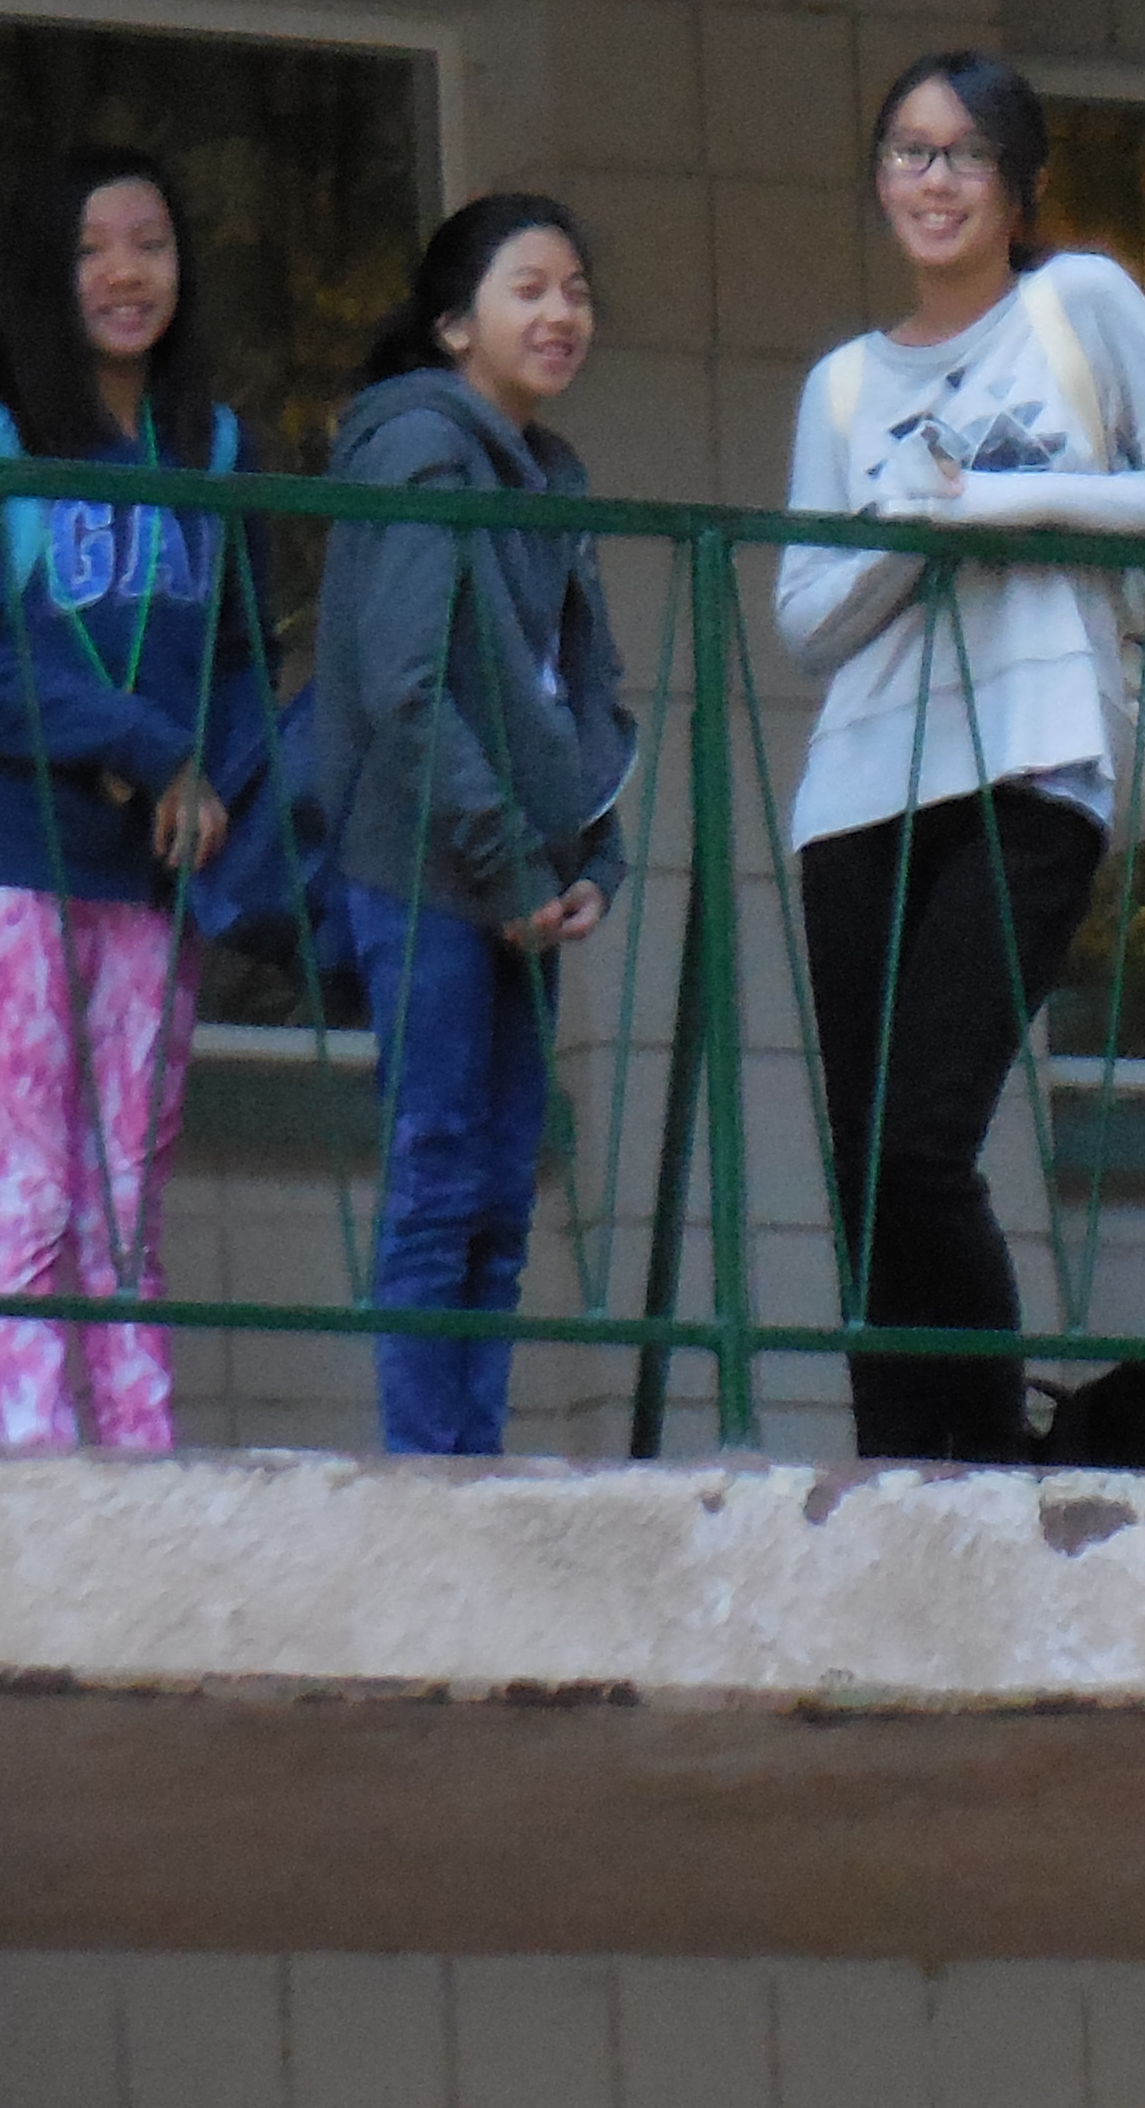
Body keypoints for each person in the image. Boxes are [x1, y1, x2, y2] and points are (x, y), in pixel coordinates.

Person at [777, 51, 1145, 1463]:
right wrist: (922, 534)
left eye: (964, 154)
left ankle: (987, 1477)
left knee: (926, 1146)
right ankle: (897, 1475)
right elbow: (805, 617)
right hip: (860, 787)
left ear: (1018, 185)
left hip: (1037, 765)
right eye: (908, 151)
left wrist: (1008, 498)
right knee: (868, 1179)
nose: (933, 179)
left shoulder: (1077, 302)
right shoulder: (845, 385)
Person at [0, 145, 285, 1454]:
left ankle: (140, 1458)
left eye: (152, 244)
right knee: (31, 1172)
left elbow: (241, 653)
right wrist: (133, 738)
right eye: (90, 248)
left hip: (156, 865)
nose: (125, 273)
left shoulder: (220, 448)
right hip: (13, 852)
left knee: (130, 1179)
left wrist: (213, 777)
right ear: (45, 276)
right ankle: (35, 1462)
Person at [310, 194, 633, 1459]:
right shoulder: (417, 448)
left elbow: (581, 690)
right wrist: (507, 863)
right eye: (530, 289)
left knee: (503, 1194)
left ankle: (468, 1465)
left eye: (578, 291)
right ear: (453, 324)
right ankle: (422, 1483)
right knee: (442, 1176)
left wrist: (592, 854)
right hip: (430, 873)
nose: (562, 315)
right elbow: (403, 683)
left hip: (515, 882)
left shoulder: (549, 473)